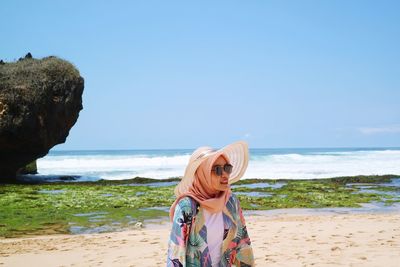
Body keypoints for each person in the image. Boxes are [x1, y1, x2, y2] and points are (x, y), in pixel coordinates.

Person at [167, 141, 255, 267]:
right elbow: (175, 252)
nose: (225, 174)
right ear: (203, 173)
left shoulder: (231, 202)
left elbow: (243, 242)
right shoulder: (186, 206)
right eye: (217, 170)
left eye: (227, 168)